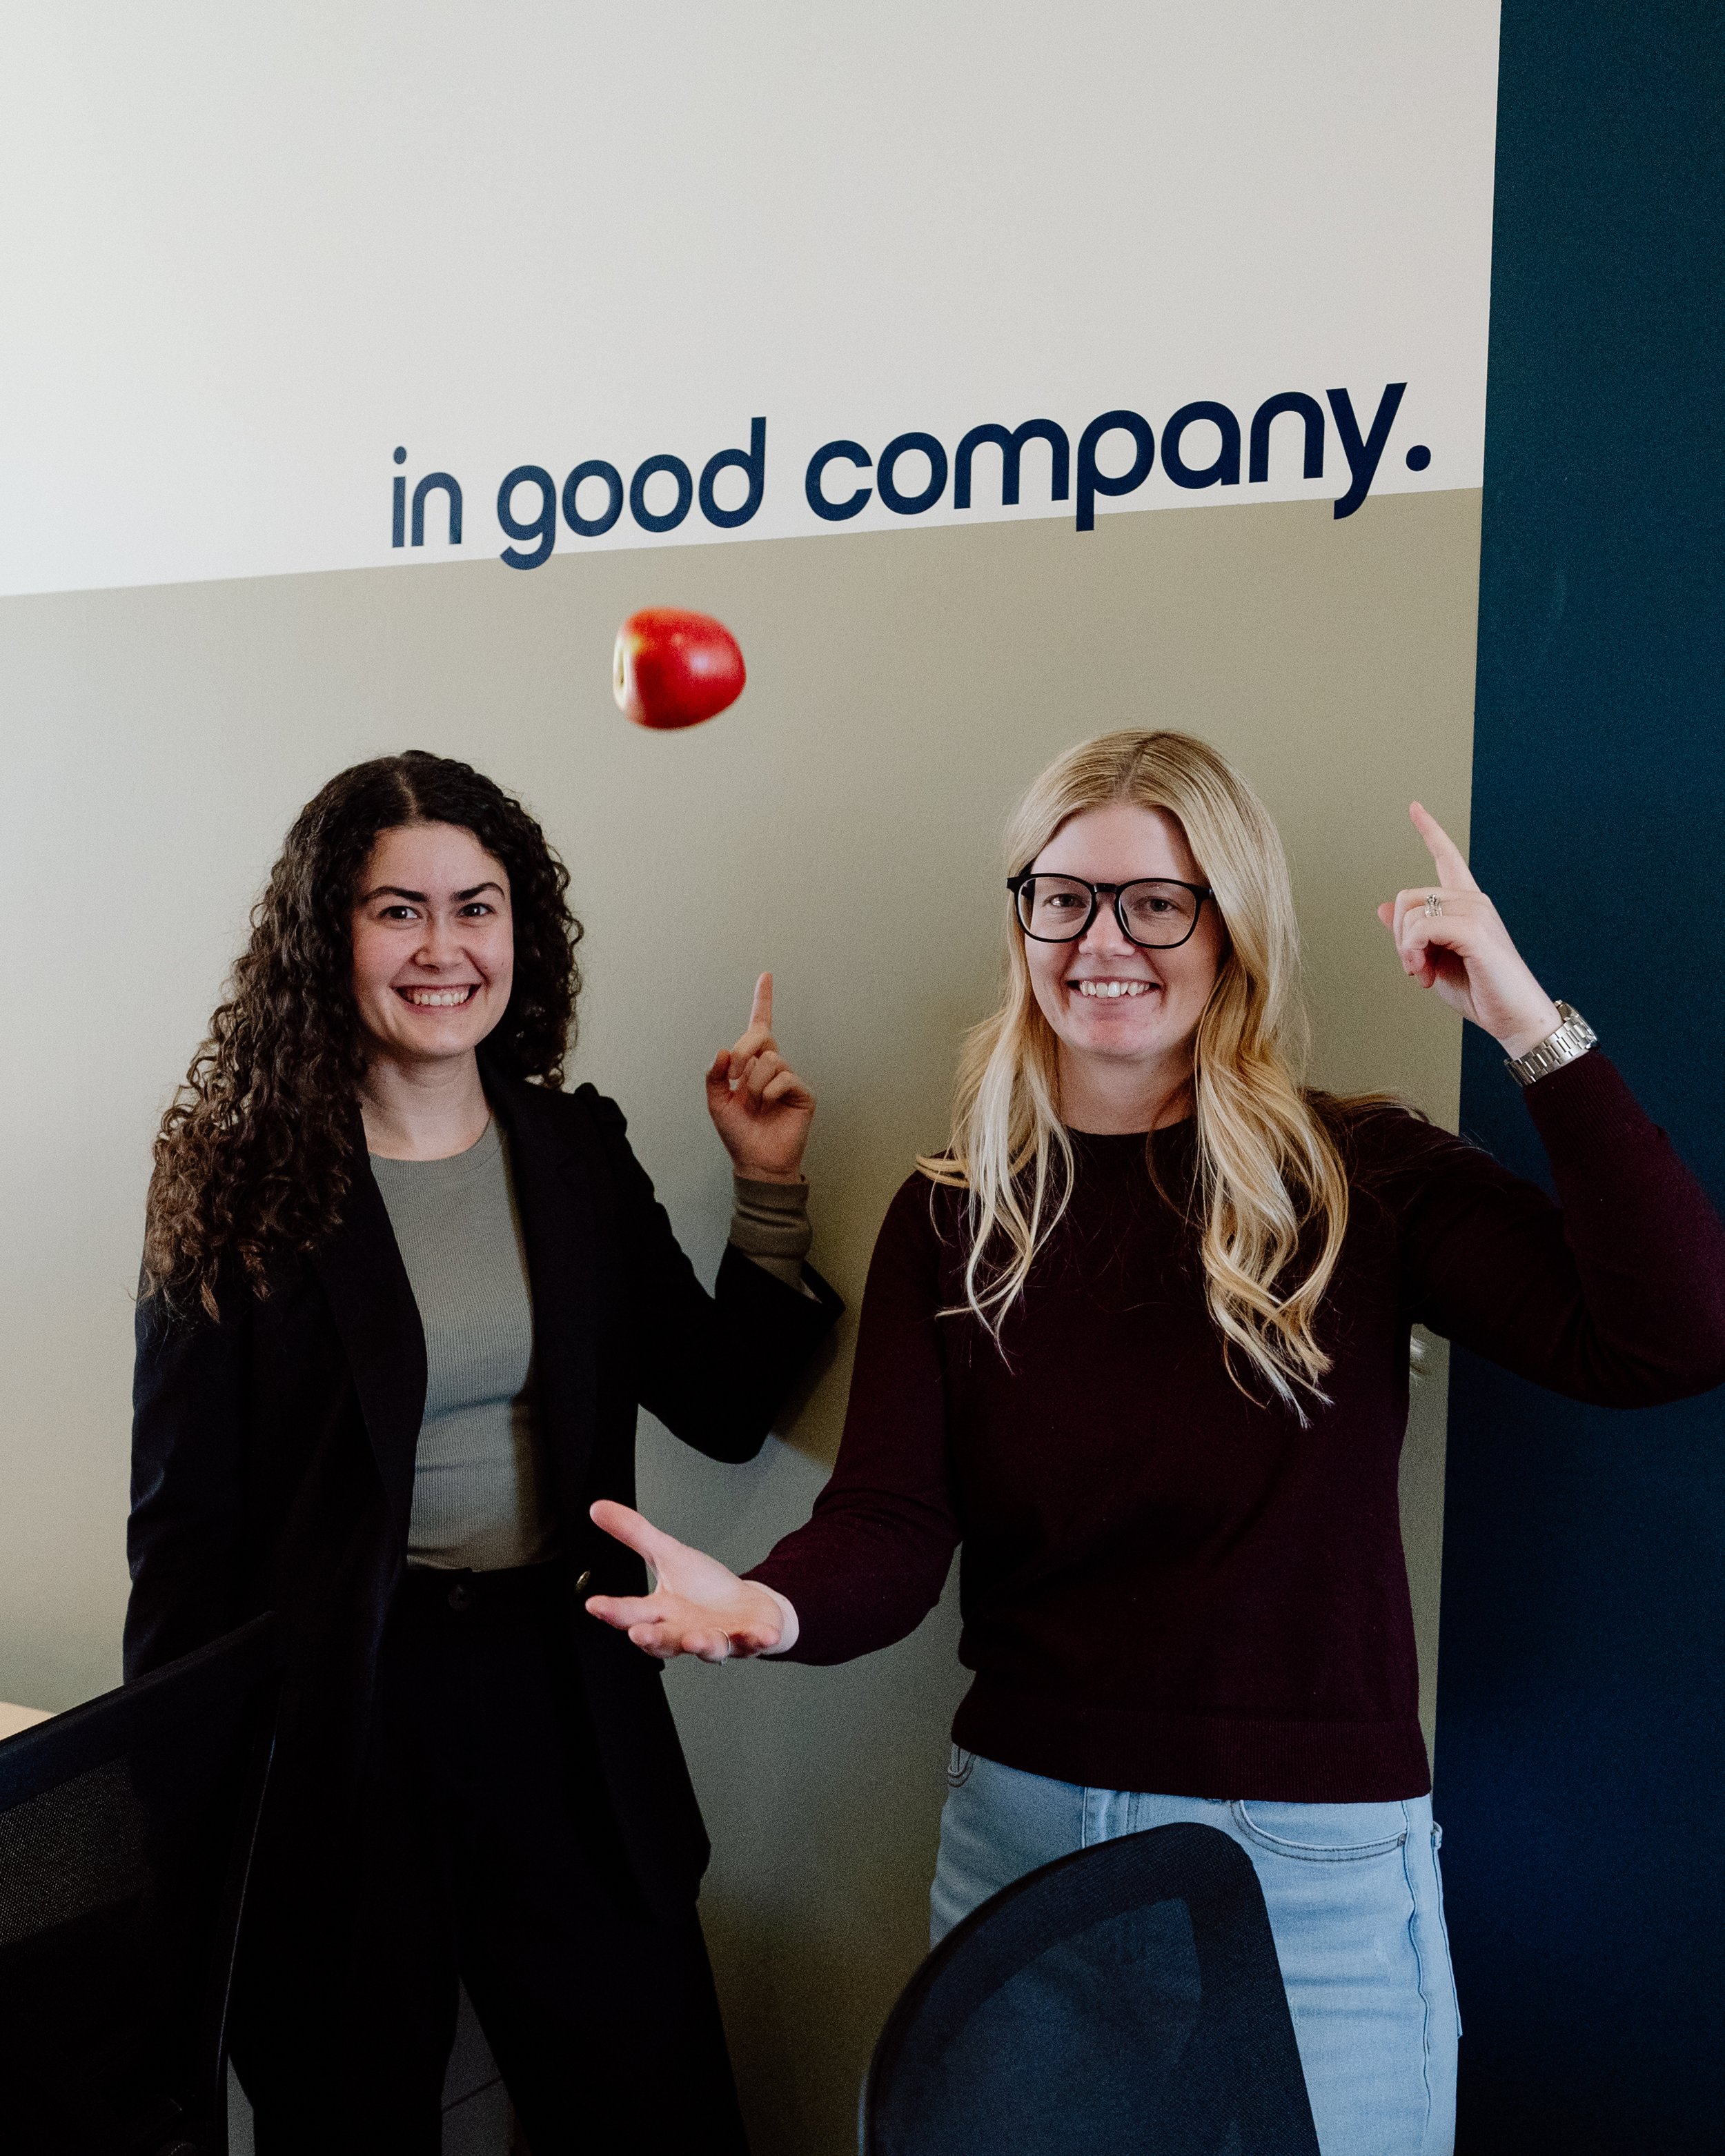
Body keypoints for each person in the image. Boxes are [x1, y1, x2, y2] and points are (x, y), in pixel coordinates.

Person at [582, 729, 1725, 2156]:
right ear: (1023, 921)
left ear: (1228, 930)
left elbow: (1668, 1334)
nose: (1101, 941)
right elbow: (887, 1523)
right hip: (1020, 1842)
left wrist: (1522, 1022)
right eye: (1061, 897)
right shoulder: (954, 1210)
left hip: (1307, 1860)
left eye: (1154, 901)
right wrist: (768, 1606)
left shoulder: (1355, 1175)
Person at [124, 749, 840, 2155]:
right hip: (341, 1723)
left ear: (523, 930)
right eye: (398, 912)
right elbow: (184, 1536)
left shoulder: (571, 1151)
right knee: (350, 2115)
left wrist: (767, 1188)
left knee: (650, 2112)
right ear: (327, 936)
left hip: (558, 1705)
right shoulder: (241, 1175)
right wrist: (187, 1830)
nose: (443, 948)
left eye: (478, 905)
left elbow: (716, 1402)